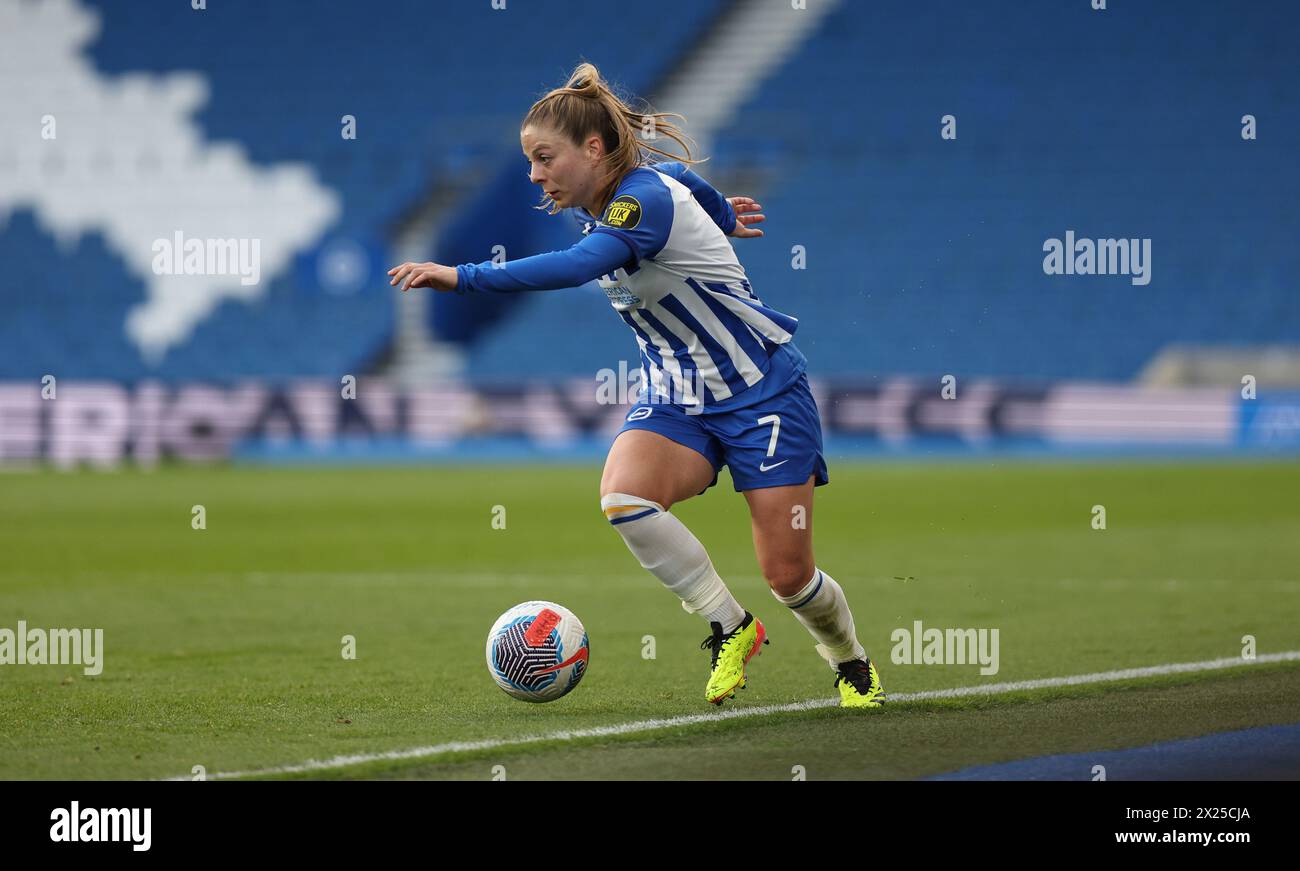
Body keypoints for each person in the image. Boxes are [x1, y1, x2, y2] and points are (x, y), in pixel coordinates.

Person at [388, 62, 885, 708]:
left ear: (593, 149)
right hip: (678, 395)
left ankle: (851, 664)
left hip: (761, 392)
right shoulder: (639, 192)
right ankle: (731, 624)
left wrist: (464, 276)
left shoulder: (638, 204)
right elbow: (686, 179)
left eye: (545, 158)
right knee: (625, 498)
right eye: (530, 162)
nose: (535, 174)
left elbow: (577, 267)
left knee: (789, 577)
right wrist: (721, 217)